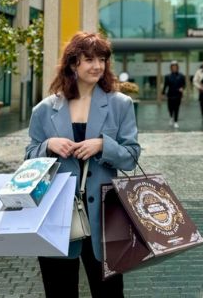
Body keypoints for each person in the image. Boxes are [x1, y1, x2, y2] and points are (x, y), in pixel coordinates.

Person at [26, 31, 141, 298]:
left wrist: (103, 146)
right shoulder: (44, 109)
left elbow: (132, 155)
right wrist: (48, 145)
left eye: (102, 59)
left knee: (109, 293)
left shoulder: (120, 105)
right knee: (59, 290)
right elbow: (29, 159)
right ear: (72, 63)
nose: (97, 65)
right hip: (55, 215)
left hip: (105, 216)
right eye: (89, 59)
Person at [162, 60, 186, 129]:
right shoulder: (168, 76)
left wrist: (182, 88)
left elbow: (184, 84)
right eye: (173, 67)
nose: (174, 68)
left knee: (176, 108)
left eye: (175, 67)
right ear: (171, 68)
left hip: (178, 94)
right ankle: (171, 117)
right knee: (170, 108)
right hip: (170, 94)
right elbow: (165, 85)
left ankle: (176, 121)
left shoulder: (181, 76)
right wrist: (163, 93)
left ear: (177, 67)